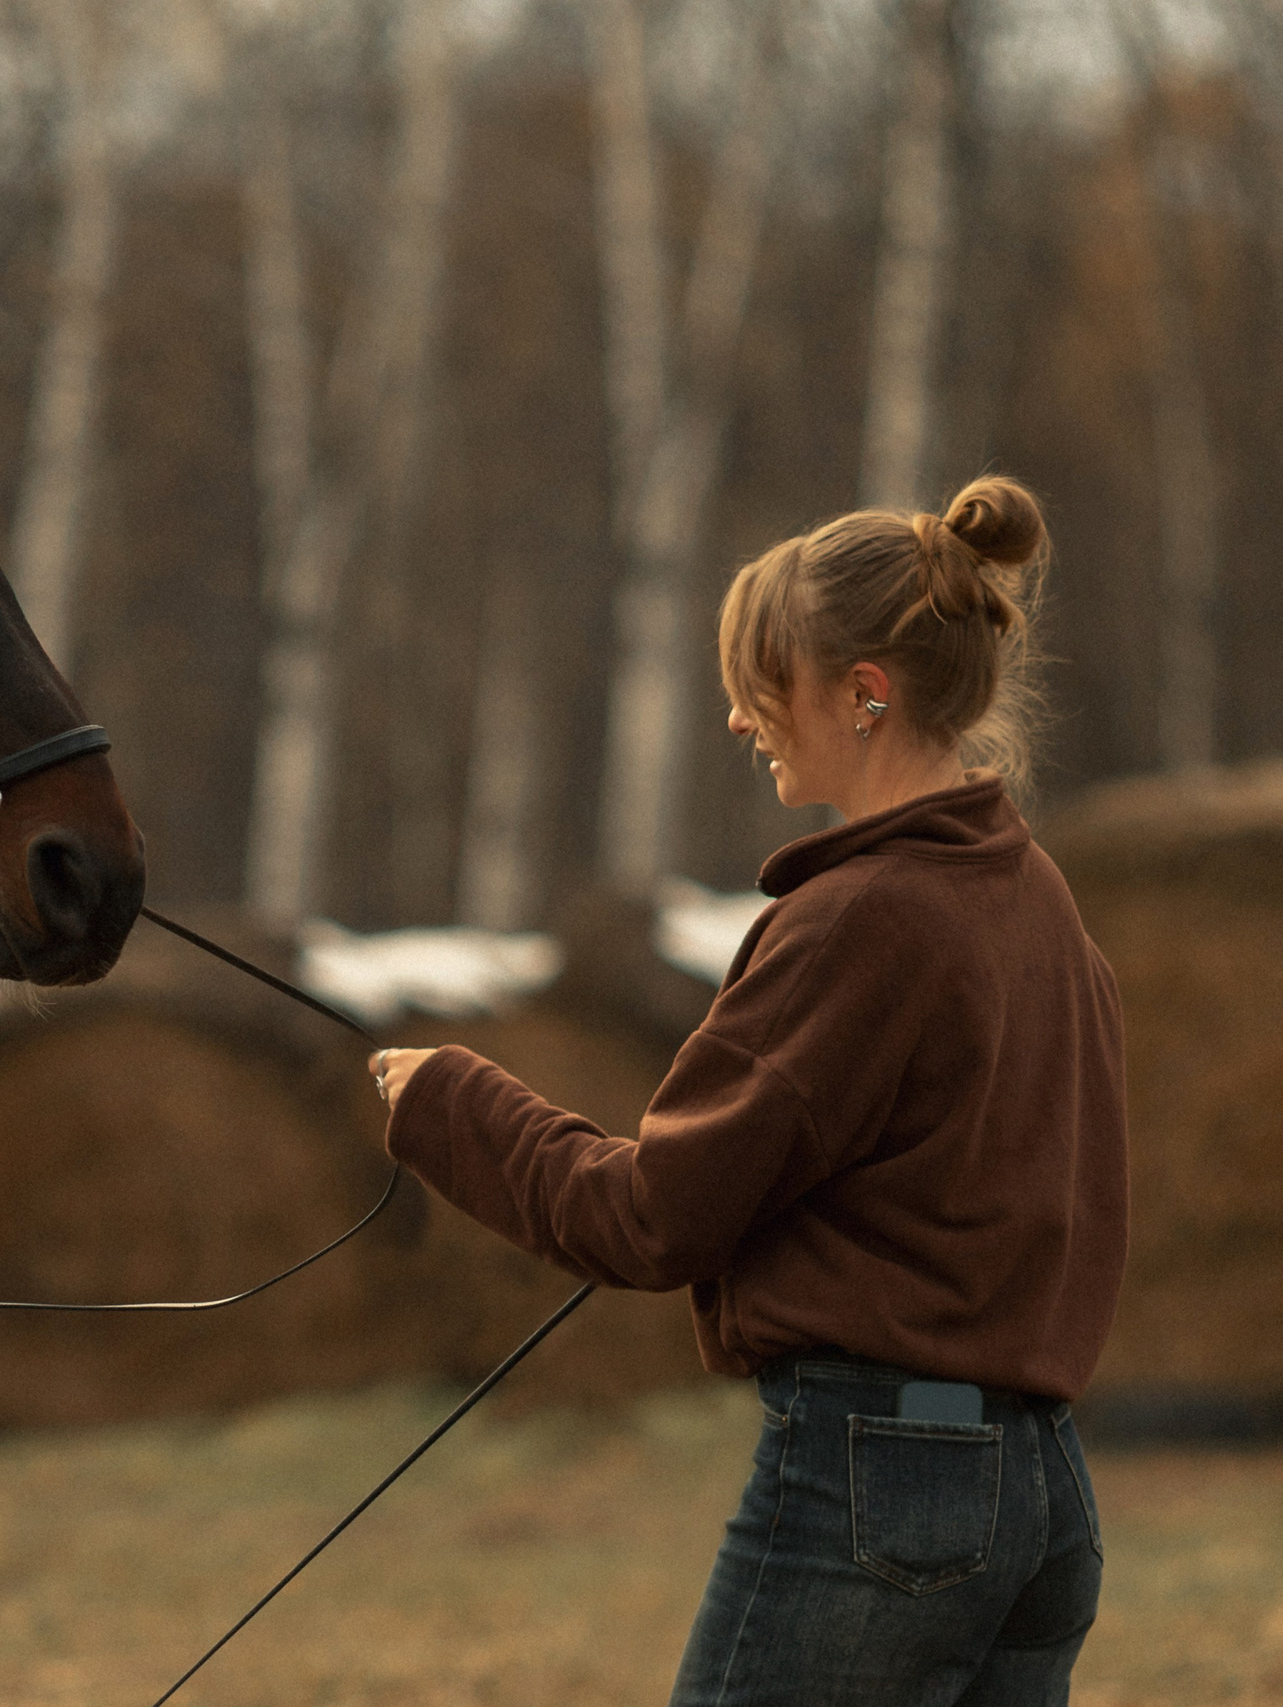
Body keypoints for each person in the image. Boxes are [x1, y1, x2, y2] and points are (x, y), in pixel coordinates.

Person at [370, 475, 1126, 1707]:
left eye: (763, 680)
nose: (737, 716)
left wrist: (450, 1103)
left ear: (865, 693)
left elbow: (650, 1220)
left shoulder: (856, 920)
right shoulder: (1030, 895)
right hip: (1041, 1496)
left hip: (885, 1495)